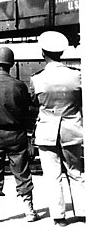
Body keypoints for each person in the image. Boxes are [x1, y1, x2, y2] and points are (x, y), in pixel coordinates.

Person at [30, 31, 85, 227]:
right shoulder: (77, 76)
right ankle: (82, 212)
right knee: (76, 172)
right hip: (73, 130)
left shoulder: (37, 79)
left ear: (43, 52)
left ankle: (59, 217)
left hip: (47, 132)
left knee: (52, 175)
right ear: (62, 53)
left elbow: (33, 104)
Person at [0, 46, 39, 223]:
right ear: (11, 65)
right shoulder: (19, 86)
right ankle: (29, 210)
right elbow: (27, 109)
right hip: (16, 135)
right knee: (22, 172)